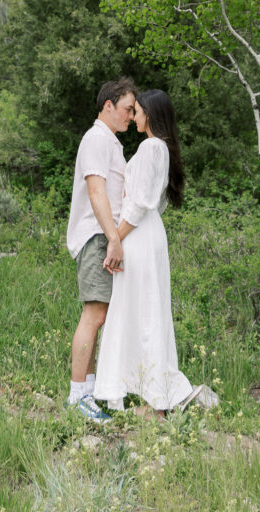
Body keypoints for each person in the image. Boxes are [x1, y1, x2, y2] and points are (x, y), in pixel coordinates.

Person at [93, 89, 194, 416]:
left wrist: (115, 240)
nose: (133, 116)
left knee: (140, 311)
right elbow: (153, 203)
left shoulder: (152, 147)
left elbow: (138, 205)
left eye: (136, 111)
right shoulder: (160, 149)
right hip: (147, 234)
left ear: (150, 113)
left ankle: (154, 401)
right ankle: (141, 394)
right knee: (145, 310)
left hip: (136, 235)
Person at [66, 77, 137, 421]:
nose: (130, 116)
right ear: (108, 106)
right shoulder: (97, 139)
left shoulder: (109, 141)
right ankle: (78, 395)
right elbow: (96, 192)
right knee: (93, 315)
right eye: (126, 109)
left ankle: (90, 391)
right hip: (97, 236)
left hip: (103, 235)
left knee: (102, 315)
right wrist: (113, 238)